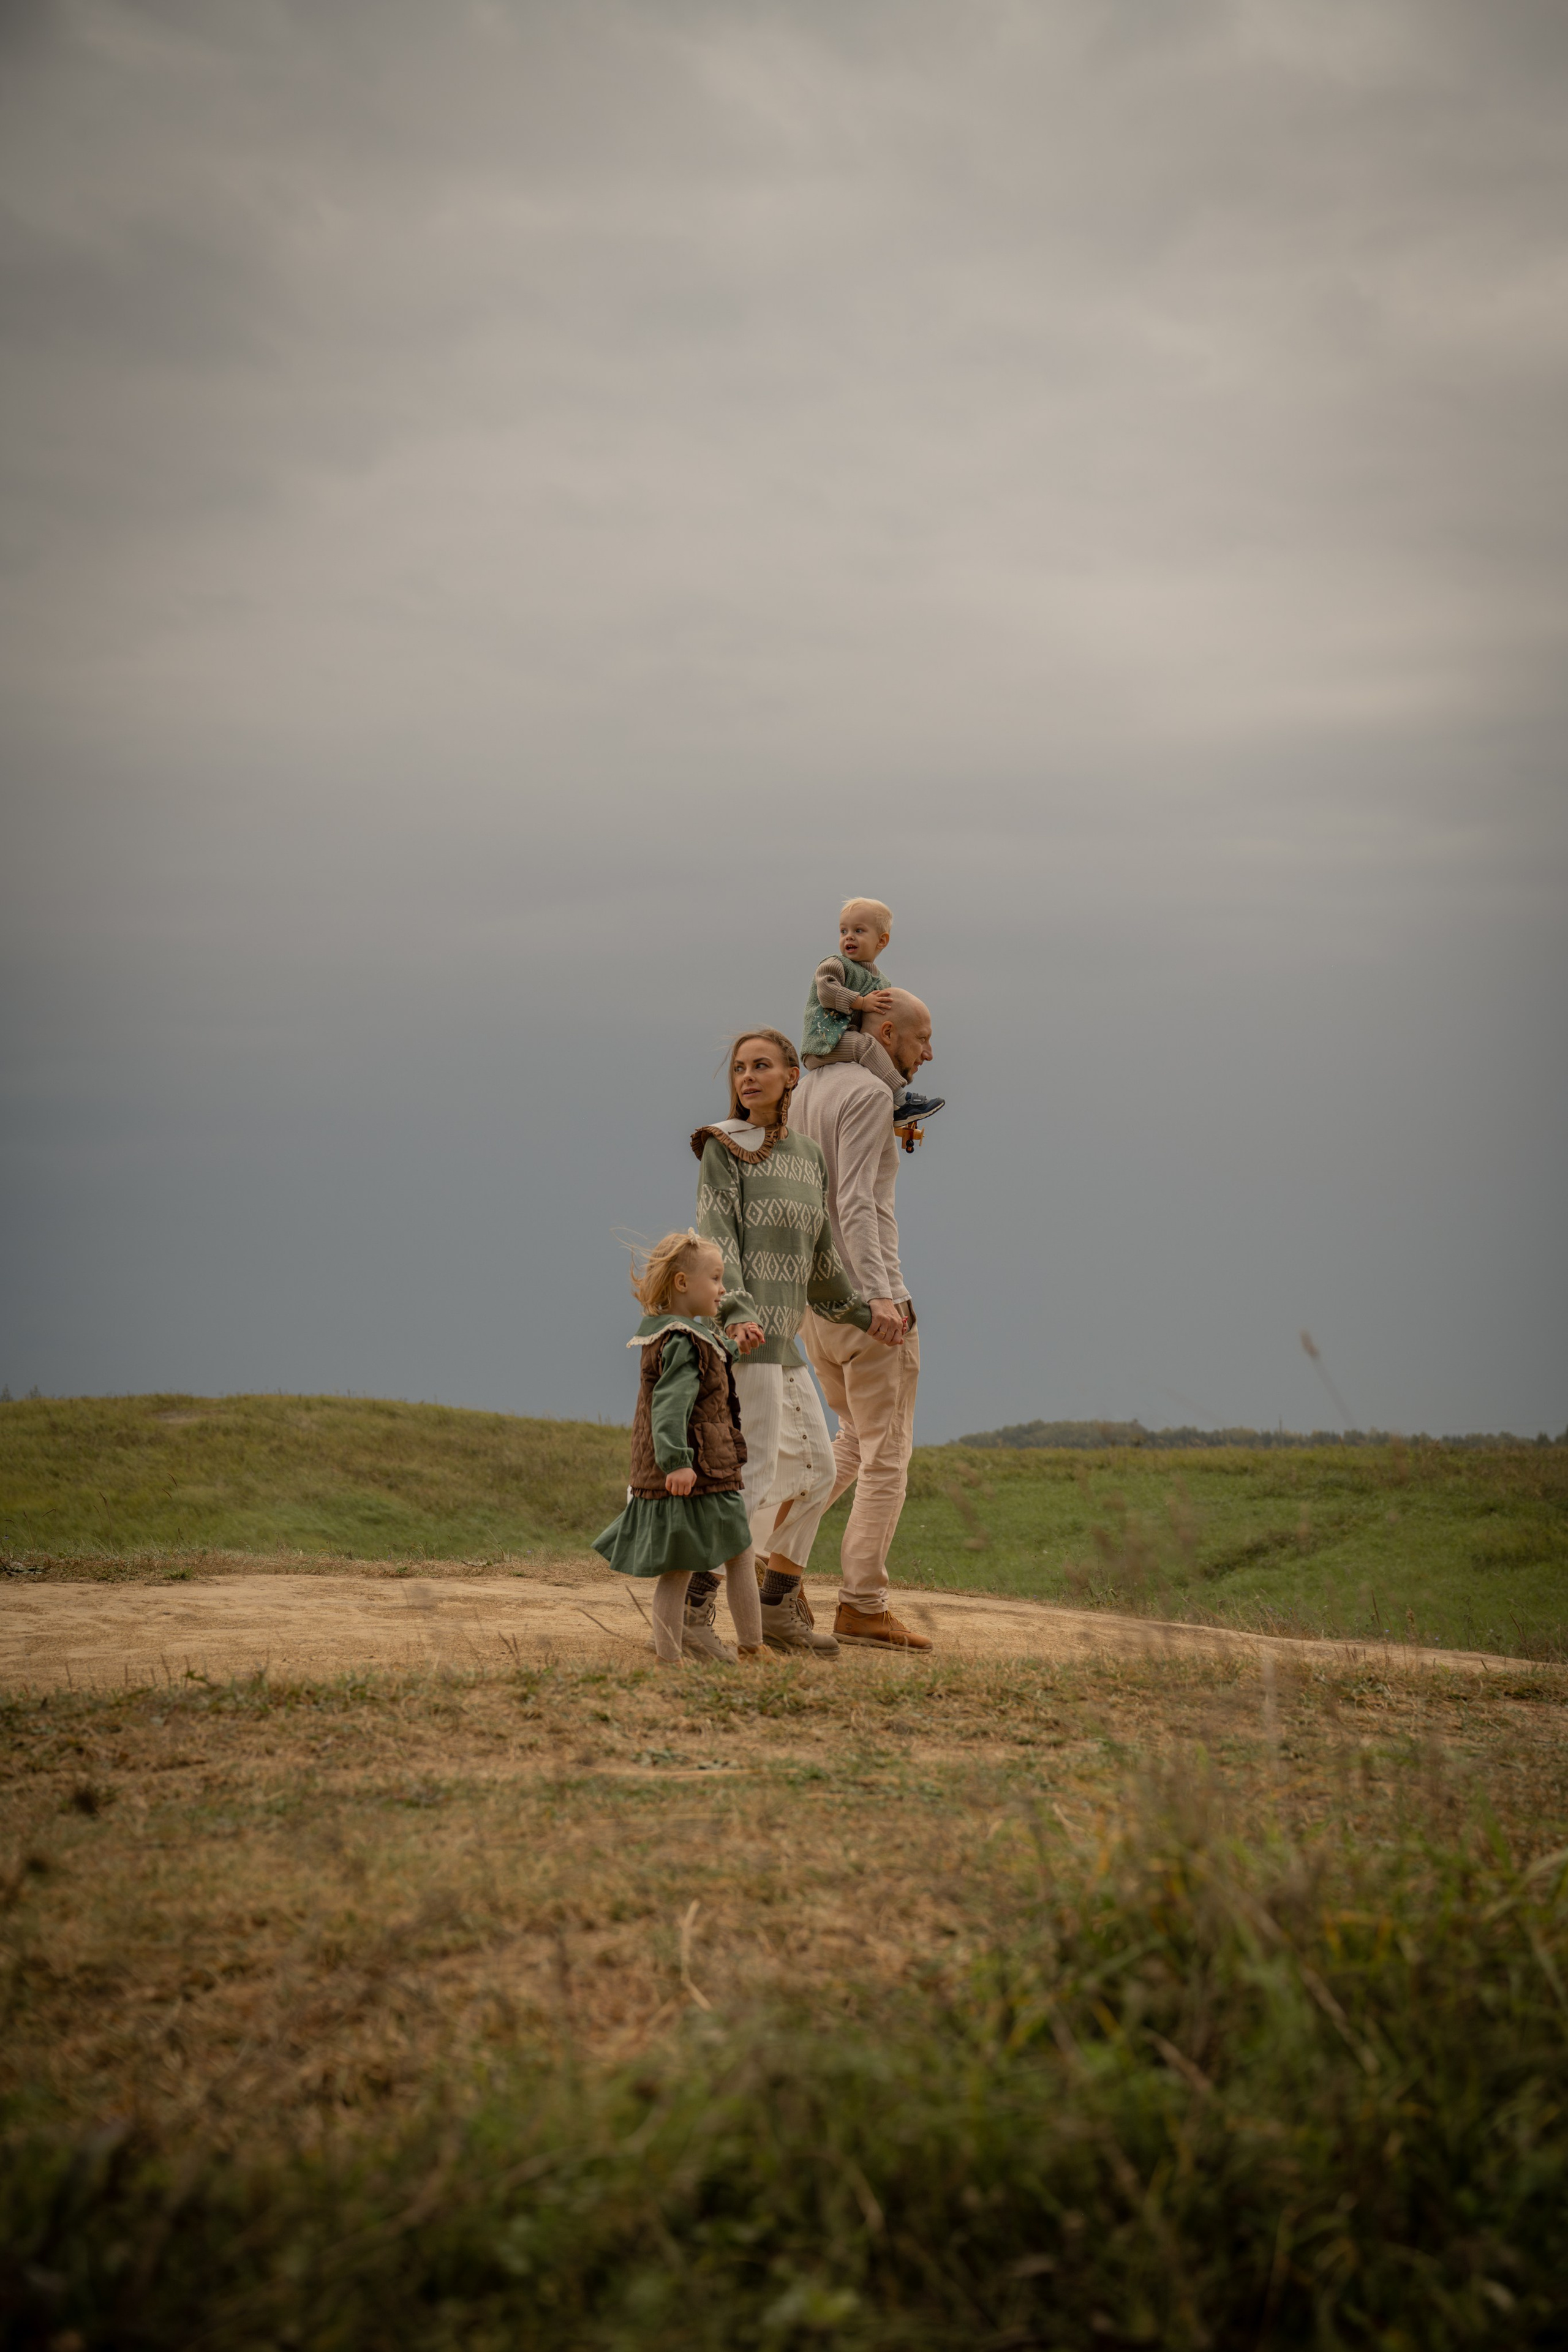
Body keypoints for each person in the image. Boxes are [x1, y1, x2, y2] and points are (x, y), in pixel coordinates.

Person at [692, 1028, 902, 1658]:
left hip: (783, 1341)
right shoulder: (722, 1147)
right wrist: (734, 1309)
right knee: (752, 1478)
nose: (747, 1077)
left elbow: (819, 1261)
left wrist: (864, 1313)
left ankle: (778, 1609)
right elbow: (714, 1238)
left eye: (761, 1066)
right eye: (737, 1068)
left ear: (791, 1076)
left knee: (819, 1473)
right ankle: (693, 1612)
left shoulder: (808, 1156)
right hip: (741, 1338)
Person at [793, 989, 935, 1651]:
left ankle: (776, 1555)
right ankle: (863, 1603)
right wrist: (881, 1296)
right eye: (920, 1037)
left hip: (812, 1302)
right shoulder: (872, 1096)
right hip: (864, 1302)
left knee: (849, 1437)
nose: (927, 1052)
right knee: (887, 1455)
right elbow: (855, 1202)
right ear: (883, 1030)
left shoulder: (807, 1089)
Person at [591, 1231, 766, 1666]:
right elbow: (669, 1408)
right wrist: (676, 1464)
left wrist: (733, 1348)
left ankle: (734, 1651)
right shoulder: (683, 1341)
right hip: (696, 1472)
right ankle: (710, 1654)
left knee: (716, 1557)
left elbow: (708, 1373)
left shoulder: (688, 1337)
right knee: (702, 1562)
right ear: (683, 1284)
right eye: (716, 1278)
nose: (722, 1289)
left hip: (709, 1469)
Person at [801, 895, 944, 1126]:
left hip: (844, 1040)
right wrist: (861, 1003)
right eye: (843, 931)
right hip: (824, 1043)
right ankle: (899, 1100)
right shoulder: (835, 964)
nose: (849, 936)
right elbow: (826, 991)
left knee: (866, 1043)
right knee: (865, 1044)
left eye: (859, 931)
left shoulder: (882, 983)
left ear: (882, 940)